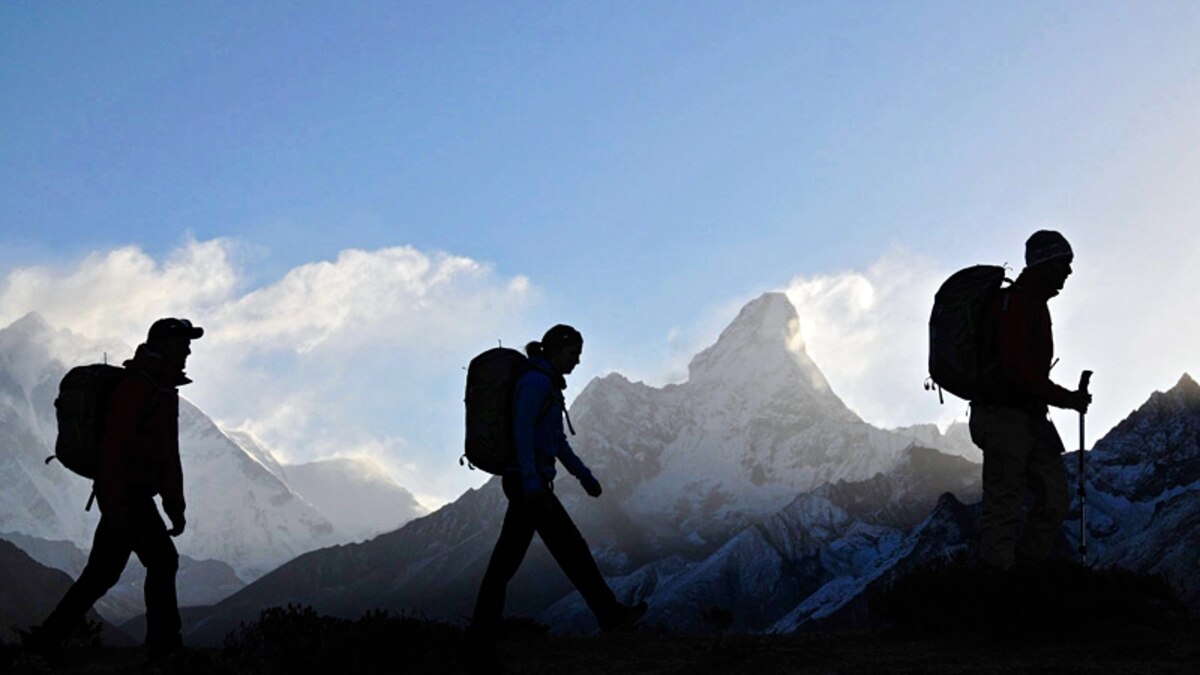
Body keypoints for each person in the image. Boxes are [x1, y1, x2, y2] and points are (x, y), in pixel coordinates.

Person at [36, 318, 202, 658]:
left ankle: (45, 640)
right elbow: (115, 447)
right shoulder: (139, 387)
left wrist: (175, 505)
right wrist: (116, 505)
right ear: (164, 345)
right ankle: (164, 645)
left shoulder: (162, 389)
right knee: (162, 561)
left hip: (129, 495)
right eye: (183, 343)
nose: (187, 351)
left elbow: (168, 455)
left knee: (101, 575)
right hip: (127, 493)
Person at [473, 324, 647, 633]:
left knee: (508, 559)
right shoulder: (535, 383)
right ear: (554, 350)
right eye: (573, 353)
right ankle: (612, 617)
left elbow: (557, 442)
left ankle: (482, 628)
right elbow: (522, 429)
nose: (577, 361)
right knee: (572, 550)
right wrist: (530, 481)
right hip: (530, 484)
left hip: (530, 482)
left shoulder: (547, 385)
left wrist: (584, 477)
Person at [970, 231, 1091, 570]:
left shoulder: (1030, 304)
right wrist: (1067, 399)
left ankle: (1022, 576)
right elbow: (1017, 370)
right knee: (1004, 503)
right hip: (1003, 416)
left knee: (1054, 497)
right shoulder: (1015, 305)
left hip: (1028, 417)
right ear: (1045, 263)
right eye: (1063, 264)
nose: (1068, 273)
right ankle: (997, 592)